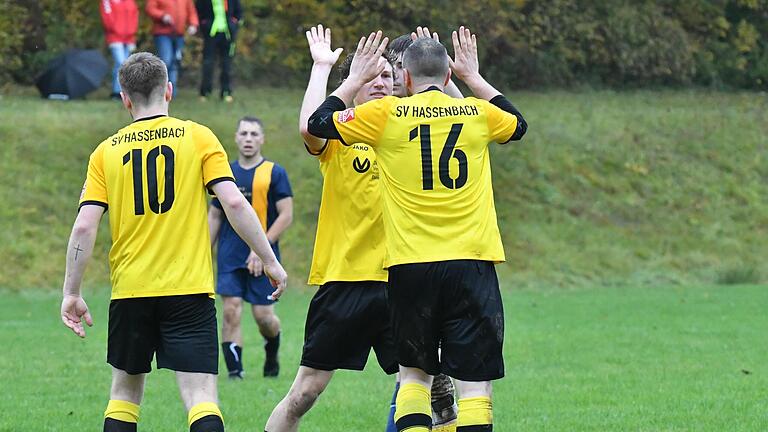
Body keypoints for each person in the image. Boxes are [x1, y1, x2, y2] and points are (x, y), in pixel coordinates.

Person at [307, 28, 527, 431]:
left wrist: (353, 78)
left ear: (403, 79)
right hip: (471, 262)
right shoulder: (475, 114)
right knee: (474, 388)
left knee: (413, 377)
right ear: (447, 78)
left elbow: (318, 123)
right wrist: (473, 78)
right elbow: (518, 124)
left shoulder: (386, 115)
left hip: (410, 266)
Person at [60, 52, 287, 432]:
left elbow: (84, 226)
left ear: (124, 98)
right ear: (168, 90)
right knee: (201, 398)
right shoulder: (198, 137)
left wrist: (72, 291)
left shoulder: (105, 151)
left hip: (131, 291)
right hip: (189, 291)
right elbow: (232, 201)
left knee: (123, 395)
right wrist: (269, 259)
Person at [263, 25, 398, 432]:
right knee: (305, 392)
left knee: (426, 387)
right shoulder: (339, 137)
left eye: (387, 76)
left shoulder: (413, 132)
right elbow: (309, 127)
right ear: (353, 88)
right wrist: (324, 68)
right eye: (368, 76)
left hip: (404, 281)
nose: (379, 82)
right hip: (345, 281)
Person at [385, 27, 461, 432]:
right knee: (415, 373)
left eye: (399, 68)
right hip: (388, 258)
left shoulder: (436, 113)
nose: (394, 77)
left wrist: (444, 74)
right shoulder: (380, 113)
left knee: (425, 380)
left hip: (422, 256)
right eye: (390, 69)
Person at [208, 116, 292, 379]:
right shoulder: (224, 173)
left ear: (262, 139)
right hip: (230, 254)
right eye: (243, 133)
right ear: (235, 137)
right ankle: (236, 374)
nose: (248, 139)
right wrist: (203, 251)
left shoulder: (275, 173)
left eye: (254, 134)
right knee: (231, 309)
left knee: (263, 317)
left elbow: (286, 215)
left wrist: (260, 248)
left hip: (263, 255)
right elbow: (215, 215)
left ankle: (272, 351)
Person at [146, 0, 198, 95]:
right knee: (166, 60)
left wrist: (193, 24)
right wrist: (162, 15)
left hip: (179, 34)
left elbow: (191, 11)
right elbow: (150, 9)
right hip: (162, 34)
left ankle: (171, 91)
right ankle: (161, 90)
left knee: (175, 61)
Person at [196, 0, 242, 102]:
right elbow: (198, 11)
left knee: (226, 65)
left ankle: (226, 92)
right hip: (210, 35)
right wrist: (205, 24)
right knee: (208, 63)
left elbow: (239, 12)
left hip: (227, 35)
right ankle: (205, 92)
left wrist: (233, 23)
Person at [99, 0, 139, 100]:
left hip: (129, 37)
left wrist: (132, 31)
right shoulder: (108, 1)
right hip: (115, 37)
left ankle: (124, 91)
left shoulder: (130, 1)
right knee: (120, 63)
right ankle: (117, 91)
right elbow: (107, 17)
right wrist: (115, 29)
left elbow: (135, 16)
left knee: (126, 64)